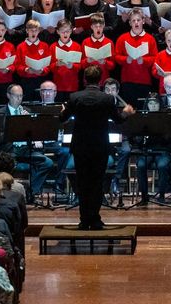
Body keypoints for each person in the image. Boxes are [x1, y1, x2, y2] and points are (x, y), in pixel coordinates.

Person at [61, 65, 133, 230]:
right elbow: (119, 120)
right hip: (100, 146)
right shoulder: (107, 99)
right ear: (100, 81)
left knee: (83, 182)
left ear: (84, 80)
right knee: (97, 182)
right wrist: (127, 112)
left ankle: (83, 219)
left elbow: (62, 119)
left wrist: (63, 110)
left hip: (80, 146)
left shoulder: (75, 97)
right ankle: (95, 218)